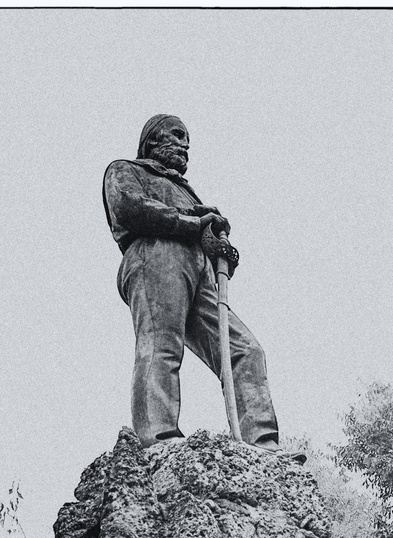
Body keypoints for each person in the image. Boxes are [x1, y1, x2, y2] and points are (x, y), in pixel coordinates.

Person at [103, 114, 298, 456]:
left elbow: (203, 237)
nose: (185, 144)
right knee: (162, 344)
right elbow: (131, 209)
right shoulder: (126, 170)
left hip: (199, 270)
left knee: (245, 350)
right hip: (154, 256)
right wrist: (192, 221)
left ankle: (262, 442)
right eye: (176, 135)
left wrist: (218, 247)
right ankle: (158, 438)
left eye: (187, 138)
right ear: (151, 142)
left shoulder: (186, 191)